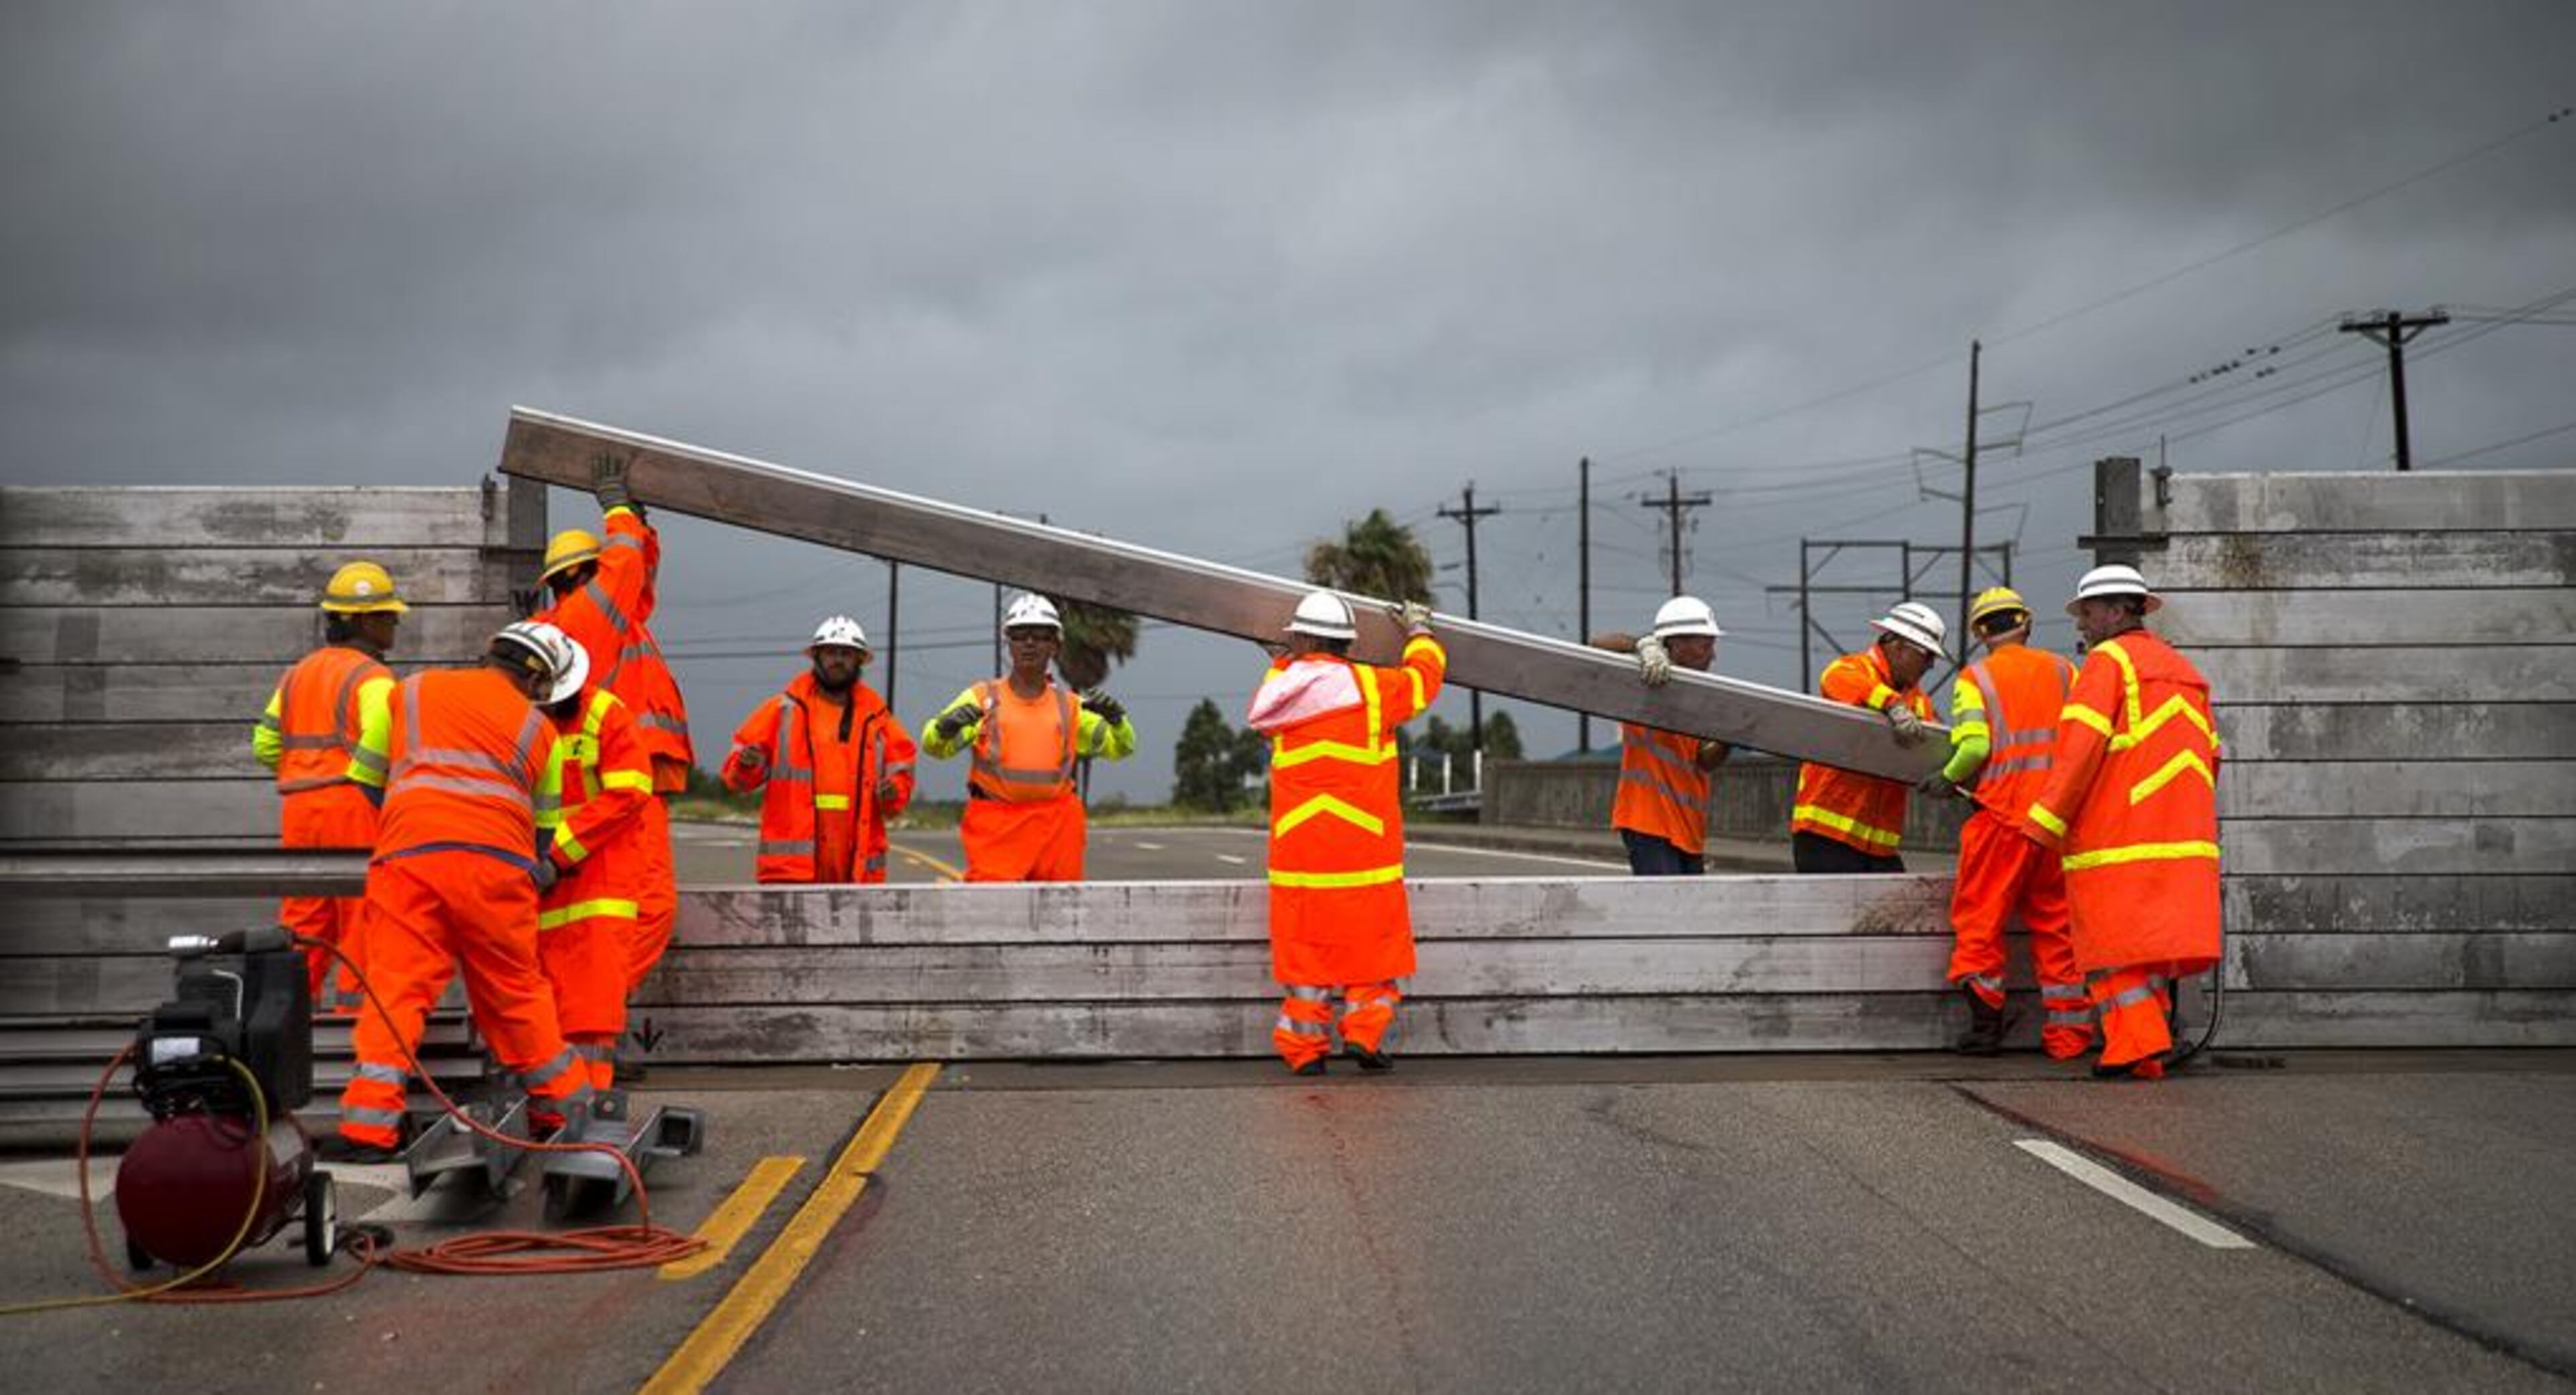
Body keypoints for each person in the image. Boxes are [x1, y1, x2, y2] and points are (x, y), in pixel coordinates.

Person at [331, 622, 590, 1160]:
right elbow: (543, 834)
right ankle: (566, 1110)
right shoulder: (541, 733)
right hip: (497, 870)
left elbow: (365, 778)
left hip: (410, 861)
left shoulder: (411, 691)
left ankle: (368, 1130)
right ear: (538, 680)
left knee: (397, 989)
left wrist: (418, 825)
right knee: (516, 991)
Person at [2022, 565, 2222, 1080]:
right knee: (2146, 951)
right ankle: (2144, 1048)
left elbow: (2079, 751)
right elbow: (2212, 756)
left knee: (2110, 947)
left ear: (2115, 611)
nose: (2082, 626)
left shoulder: (2108, 663)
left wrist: (2043, 824)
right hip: (2180, 841)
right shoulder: (2183, 670)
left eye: (2087, 613)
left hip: (2116, 841)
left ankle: (2137, 1043)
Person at [1246, 590, 1446, 1074]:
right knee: (1373, 950)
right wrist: (1420, 634)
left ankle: (1305, 1052)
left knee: (1306, 960)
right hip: (1365, 854)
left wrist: (1286, 658)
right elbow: (1425, 679)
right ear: (1348, 643)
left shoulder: (1278, 691)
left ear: (1302, 637)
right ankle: (1364, 1034)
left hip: (1300, 858)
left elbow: (1285, 682)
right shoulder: (1375, 689)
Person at [532, 455, 686, 988]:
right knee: (649, 910)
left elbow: (637, 580)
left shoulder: (608, 620)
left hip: (625, 781)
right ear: (577, 575)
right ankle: (591, 1011)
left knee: (619, 914)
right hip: (617, 787)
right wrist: (620, 515)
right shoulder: (577, 620)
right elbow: (623, 569)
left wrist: (641, 526)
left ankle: (589, 1015)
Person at [1920, 587, 2091, 1058]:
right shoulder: (2065, 671)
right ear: (2027, 623)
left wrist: (1945, 779)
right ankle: (2069, 1036)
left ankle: (1985, 1030)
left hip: (2001, 819)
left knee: (1980, 921)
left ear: (1980, 633)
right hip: (2056, 822)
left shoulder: (1976, 678)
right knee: (2058, 927)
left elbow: (1974, 747)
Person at [252, 561, 403, 1013]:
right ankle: (358, 1026)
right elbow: (383, 743)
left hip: (299, 808)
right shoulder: (373, 678)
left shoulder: (298, 674)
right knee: (362, 916)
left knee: (304, 921)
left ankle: (287, 1026)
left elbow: (263, 744)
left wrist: (305, 771)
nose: (395, 624)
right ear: (361, 620)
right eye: (387, 615)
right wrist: (375, 791)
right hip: (353, 805)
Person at [519, 623, 663, 1091]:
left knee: (590, 1017)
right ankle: (552, 1106)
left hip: (597, 889)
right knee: (544, 1012)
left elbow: (630, 792)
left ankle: (590, 1108)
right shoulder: (529, 721)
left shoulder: (605, 714)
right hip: (542, 889)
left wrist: (557, 852)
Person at [920, 594, 1134, 881]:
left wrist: (1118, 722)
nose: (1029, 643)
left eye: (1040, 636)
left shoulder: (1069, 706)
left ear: (1055, 645)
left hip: (1056, 831)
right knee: (996, 915)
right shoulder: (983, 699)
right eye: (1020, 636)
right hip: (997, 831)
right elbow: (936, 747)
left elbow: (1120, 747)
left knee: (1058, 917)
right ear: (1008, 643)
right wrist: (942, 729)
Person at [724, 616, 918, 883]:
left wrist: (894, 790)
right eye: (830, 652)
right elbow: (737, 780)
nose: (837, 660)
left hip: (857, 871)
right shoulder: (783, 711)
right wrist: (747, 765)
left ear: (859, 660)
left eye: (846, 654)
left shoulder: (878, 720)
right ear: (816, 656)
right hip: (792, 869)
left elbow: (902, 774)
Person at [1790, 600, 1943, 873]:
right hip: (1826, 834)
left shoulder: (1919, 701)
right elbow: (1834, 679)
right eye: (1926, 655)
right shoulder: (1855, 669)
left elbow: (1934, 745)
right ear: (1898, 646)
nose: (1931, 665)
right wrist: (1892, 704)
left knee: (1893, 913)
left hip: (1878, 845)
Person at [1589, 596, 1732, 875]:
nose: (1713, 655)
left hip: (1688, 828)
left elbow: (1702, 761)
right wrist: (1643, 645)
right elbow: (1596, 646)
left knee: (1686, 914)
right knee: (1668, 911)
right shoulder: (1643, 680)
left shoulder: (1700, 696)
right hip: (1648, 822)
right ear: (1676, 643)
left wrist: (1728, 738)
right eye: (1706, 645)